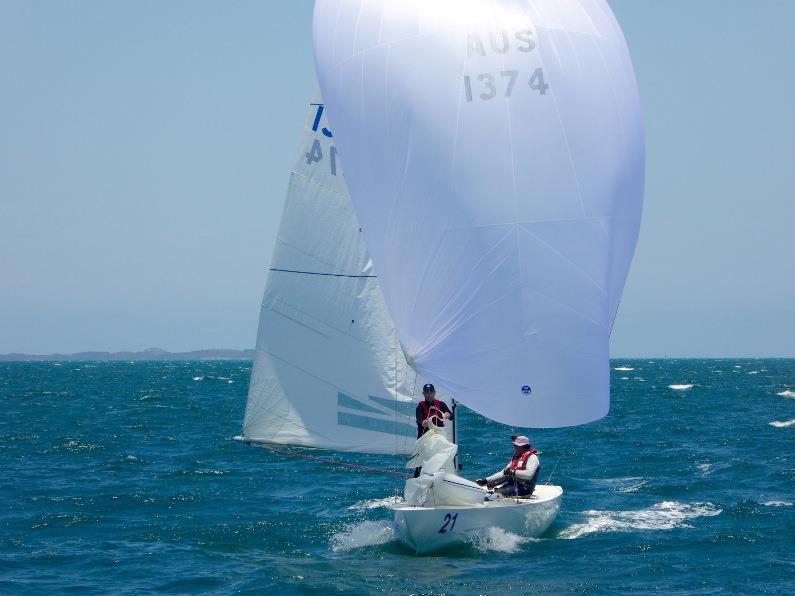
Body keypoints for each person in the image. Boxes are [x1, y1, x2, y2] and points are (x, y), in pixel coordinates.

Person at [475, 435, 540, 497]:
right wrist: (486, 481)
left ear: (523, 446)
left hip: (525, 488)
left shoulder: (533, 458)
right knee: (493, 493)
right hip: (512, 486)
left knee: (498, 493)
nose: (514, 446)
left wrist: (512, 472)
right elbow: (504, 473)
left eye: (516, 445)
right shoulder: (517, 457)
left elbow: (529, 475)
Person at [413, 383, 453, 478]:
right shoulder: (420, 406)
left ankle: (442, 478)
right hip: (425, 440)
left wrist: (447, 414)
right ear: (423, 394)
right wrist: (423, 422)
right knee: (421, 464)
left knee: (440, 460)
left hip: (438, 439)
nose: (429, 394)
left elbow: (451, 416)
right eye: (427, 393)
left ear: (434, 393)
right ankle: (417, 479)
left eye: (431, 392)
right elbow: (419, 421)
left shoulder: (440, 404)